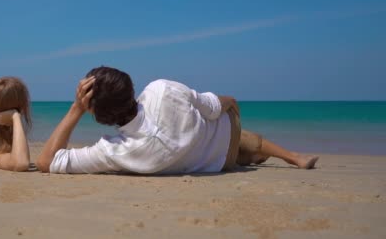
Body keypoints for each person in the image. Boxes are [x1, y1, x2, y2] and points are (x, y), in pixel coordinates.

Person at [36, 66, 318, 174]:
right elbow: (213, 105)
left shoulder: (115, 152)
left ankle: (260, 157)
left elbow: (47, 162)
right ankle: (293, 157)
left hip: (220, 162)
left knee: (239, 152)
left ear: (96, 114)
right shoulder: (161, 89)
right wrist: (231, 103)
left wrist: (75, 109)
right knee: (243, 138)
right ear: (129, 86)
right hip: (227, 136)